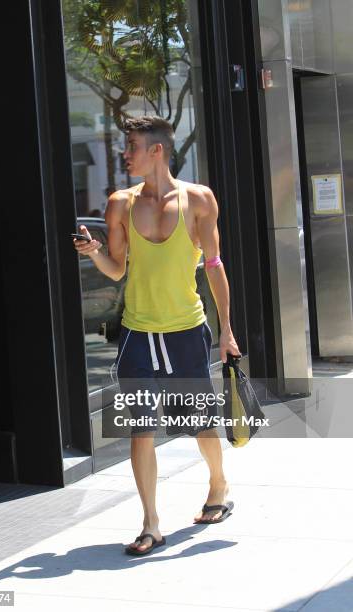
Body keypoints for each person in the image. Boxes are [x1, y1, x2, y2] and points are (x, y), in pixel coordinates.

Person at [73, 115, 241, 556]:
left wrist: (226, 332)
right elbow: (117, 270)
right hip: (137, 333)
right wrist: (94, 253)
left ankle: (218, 486)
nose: (124, 154)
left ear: (156, 151)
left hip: (186, 330)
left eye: (131, 146)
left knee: (199, 423)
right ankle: (151, 523)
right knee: (140, 430)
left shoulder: (199, 200)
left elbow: (215, 267)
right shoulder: (119, 204)